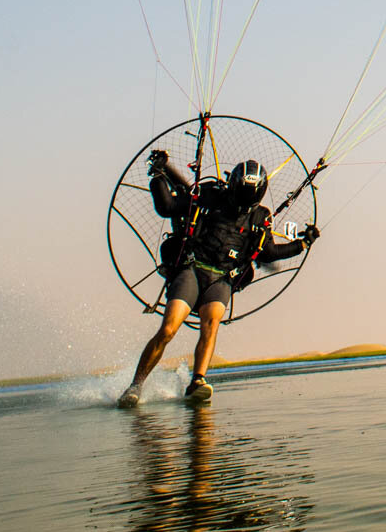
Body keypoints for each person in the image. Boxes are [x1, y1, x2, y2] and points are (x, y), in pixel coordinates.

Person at [118, 153, 319, 406]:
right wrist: (158, 176)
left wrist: (302, 243)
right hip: (191, 269)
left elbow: (268, 253)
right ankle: (135, 386)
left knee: (211, 323)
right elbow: (167, 207)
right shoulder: (210, 195)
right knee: (168, 329)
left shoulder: (260, 217)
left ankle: (197, 381)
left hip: (222, 279)